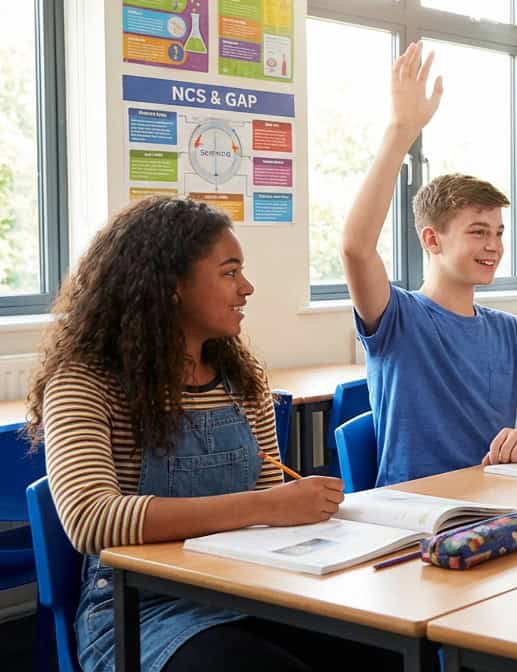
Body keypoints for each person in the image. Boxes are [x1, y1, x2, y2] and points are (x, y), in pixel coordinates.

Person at [27, 197, 395, 672]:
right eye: (229, 272)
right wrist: (269, 506)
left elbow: (270, 512)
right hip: (138, 612)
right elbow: (92, 520)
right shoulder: (84, 382)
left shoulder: (241, 378)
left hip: (246, 590)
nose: (247, 288)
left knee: (386, 650)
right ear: (172, 285)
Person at [341, 42, 517, 485]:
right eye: (478, 232)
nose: (493, 245)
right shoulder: (398, 317)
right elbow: (356, 246)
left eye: (498, 233)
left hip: (493, 506)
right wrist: (402, 130)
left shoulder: (506, 330)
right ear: (432, 239)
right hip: (418, 514)